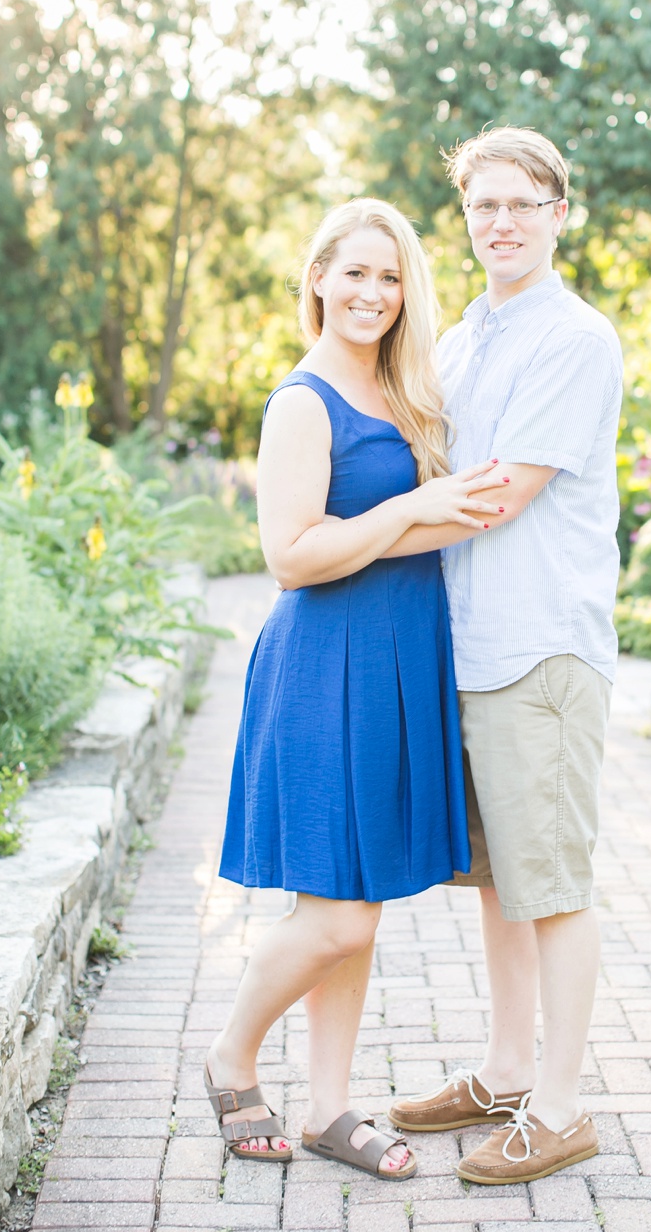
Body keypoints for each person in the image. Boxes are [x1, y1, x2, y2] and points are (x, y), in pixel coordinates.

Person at [204, 199, 506, 1182]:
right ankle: (229, 1053)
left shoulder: (405, 388)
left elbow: (430, 530)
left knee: (359, 901)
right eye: (354, 274)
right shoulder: (303, 399)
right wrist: (416, 502)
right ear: (317, 280)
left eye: (389, 277)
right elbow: (288, 556)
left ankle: (328, 1104)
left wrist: (429, 511)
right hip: (324, 660)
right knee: (333, 913)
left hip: (395, 657)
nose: (371, 293)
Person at [387, 127, 623, 1185]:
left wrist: (340, 542)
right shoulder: (462, 337)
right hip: (469, 647)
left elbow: (494, 495)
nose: (502, 221)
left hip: (540, 649)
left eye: (523, 202)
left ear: (559, 212)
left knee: (554, 884)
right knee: (498, 880)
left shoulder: (572, 338)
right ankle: (502, 1067)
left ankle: (561, 1106)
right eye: (484, 204)